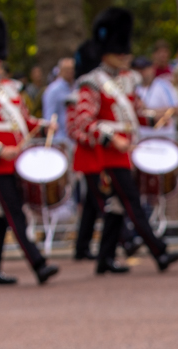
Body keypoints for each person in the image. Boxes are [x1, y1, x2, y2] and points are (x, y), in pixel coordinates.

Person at [75, 7, 178, 275]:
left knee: (115, 206)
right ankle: (159, 251)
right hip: (108, 155)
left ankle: (104, 260)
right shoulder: (92, 83)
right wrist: (113, 139)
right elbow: (84, 122)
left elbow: (135, 114)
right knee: (132, 203)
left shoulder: (128, 81)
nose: (125, 56)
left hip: (124, 152)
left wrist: (157, 119)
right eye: (119, 51)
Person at [0, 12, 59, 286]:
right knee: (14, 211)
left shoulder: (10, 88)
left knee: (1, 213)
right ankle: (38, 263)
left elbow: (24, 120)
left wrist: (45, 126)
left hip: (17, 158)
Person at [67, 38, 108, 262]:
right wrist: (95, 139)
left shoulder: (97, 89)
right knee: (103, 200)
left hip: (100, 154)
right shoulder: (77, 95)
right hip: (88, 155)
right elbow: (74, 129)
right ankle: (124, 239)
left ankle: (82, 247)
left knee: (92, 204)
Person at [136, 56, 178, 136]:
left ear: (152, 68)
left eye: (144, 68)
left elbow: (175, 110)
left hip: (164, 137)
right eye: (138, 69)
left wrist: (148, 112)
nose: (141, 72)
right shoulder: (134, 88)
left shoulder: (164, 85)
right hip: (142, 139)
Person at [41, 57, 74, 145]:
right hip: (60, 140)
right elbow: (49, 116)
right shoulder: (52, 90)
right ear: (60, 71)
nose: (70, 72)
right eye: (66, 69)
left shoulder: (77, 87)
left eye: (72, 69)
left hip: (75, 140)